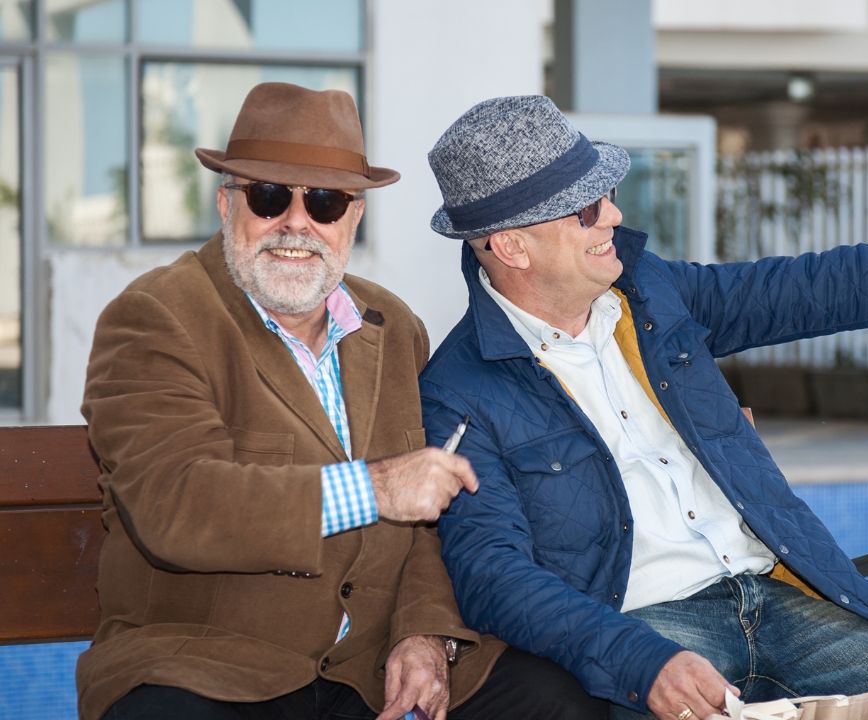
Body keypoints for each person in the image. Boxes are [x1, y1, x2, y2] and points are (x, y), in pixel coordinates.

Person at [418, 96, 868, 720]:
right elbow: (494, 575)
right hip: (651, 632)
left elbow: (828, 286)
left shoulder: (656, 298)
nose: (615, 213)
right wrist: (640, 662)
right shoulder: (459, 390)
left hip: (784, 597)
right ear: (510, 244)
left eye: (605, 191)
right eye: (585, 208)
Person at [77, 84, 605, 720]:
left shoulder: (394, 326)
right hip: (209, 669)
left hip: (366, 669)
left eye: (325, 202)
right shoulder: (156, 318)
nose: (296, 223)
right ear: (226, 204)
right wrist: (373, 489)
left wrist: (424, 631)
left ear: (353, 217)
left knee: (557, 701)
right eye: (269, 196)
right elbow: (175, 504)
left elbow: (433, 524)